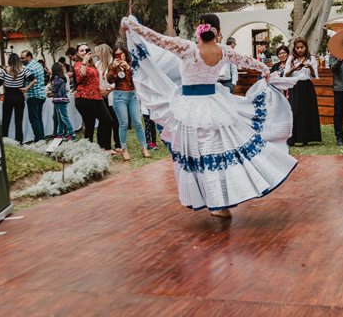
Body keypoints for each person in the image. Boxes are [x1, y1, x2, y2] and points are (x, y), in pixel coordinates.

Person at [121, 13, 297, 218]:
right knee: (218, 152)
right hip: (215, 106)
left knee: (199, 154)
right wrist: (265, 70)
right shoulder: (223, 51)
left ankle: (213, 201)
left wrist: (133, 26)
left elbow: (156, 38)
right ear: (218, 32)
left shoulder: (186, 48)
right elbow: (248, 60)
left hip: (189, 109)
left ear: (199, 29)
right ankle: (221, 203)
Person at [107, 45, 151, 161]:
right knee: (123, 123)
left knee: (138, 122)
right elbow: (110, 80)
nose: (119, 56)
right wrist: (113, 68)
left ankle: (144, 147)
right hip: (119, 96)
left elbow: (136, 78)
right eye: (116, 54)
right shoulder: (112, 66)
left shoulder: (131, 64)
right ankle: (124, 149)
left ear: (125, 54)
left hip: (132, 96)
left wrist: (127, 68)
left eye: (121, 53)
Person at [73, 43, 113, 151]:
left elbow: (94, 80)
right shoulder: (78, 64)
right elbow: (81, 75)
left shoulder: (92, 65)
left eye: (86, 49)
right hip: (84, 98)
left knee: (108, 120)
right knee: (90, 125)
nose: (84, 52)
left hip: (97, 97)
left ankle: (105, 147)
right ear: (77, 53)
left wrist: (102, 88)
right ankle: (88, 150)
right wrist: (84, 61)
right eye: (81, 50)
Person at [284, 37, 322, 146]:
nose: (300, 50)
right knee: (294, 111)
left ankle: (306, 139)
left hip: (307, 86)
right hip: (295, 85)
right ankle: (292, 139)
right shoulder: (291, 58)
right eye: (297, 48)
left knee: (306, 111)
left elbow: (314, 76)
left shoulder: (311, 58)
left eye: (302, 47)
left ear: (306, 47)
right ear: (294, 48)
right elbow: (286, 74)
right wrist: (293, 69)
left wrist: (310, 67)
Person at [0, 52, 34, 144]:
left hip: (8, 97)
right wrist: (26, 88)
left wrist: (7, 81)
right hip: (19, 96)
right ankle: (19, 142)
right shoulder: (24, 70)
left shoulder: (4, 70)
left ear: (9, 61)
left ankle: (4, 140)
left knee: (5, 120)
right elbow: (34, 80)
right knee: (18, 121)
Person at [95, 44, 122, 152]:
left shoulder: (114, 63)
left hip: (113, 94)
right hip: (101, 95)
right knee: (104, 120)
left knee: (115, 120)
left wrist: (109, 89)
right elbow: (96, 79)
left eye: (98, 52)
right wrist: (100, 89)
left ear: (103, 52)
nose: (96, 55)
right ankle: (104, 144)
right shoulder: (98, 64)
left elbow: (119, 79)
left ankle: (118, 143)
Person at [20, 50, 46, 142]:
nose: (21, 60)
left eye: (23, 58)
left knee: (34, 119)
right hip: (42, 95)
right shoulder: (38, 64)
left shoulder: (28, 68)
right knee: (38, 118)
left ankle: (39, 140)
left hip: (33, 95)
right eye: (20, 58)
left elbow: (23, 82)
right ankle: (41, 137)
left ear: (29, 57)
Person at [50, 62, 74, 140]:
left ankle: (72, 133)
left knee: (64, 117)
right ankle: (60, 134)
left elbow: (54, 89)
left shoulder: (57, 79)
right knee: (60, 118)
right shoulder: (62, 78)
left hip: (60, 100)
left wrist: (51, 88)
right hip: (60, 99)